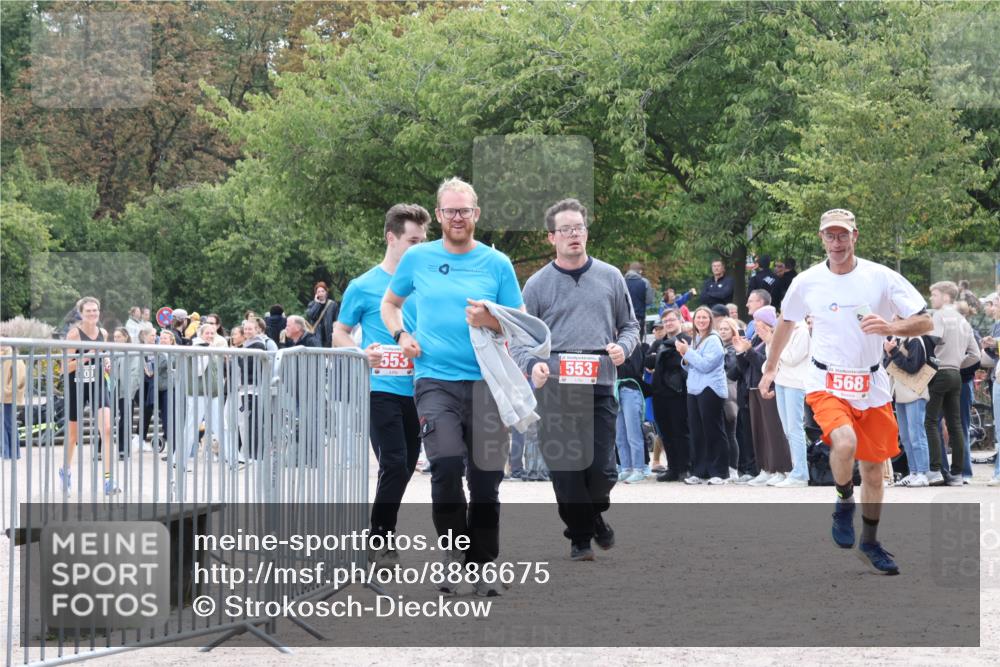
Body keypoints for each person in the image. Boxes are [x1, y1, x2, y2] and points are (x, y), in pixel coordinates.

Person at [760, 208, 932, 575]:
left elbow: (925, 318)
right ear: (821, 239)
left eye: (843, 235)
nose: (836, 242)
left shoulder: (881, 277)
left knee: (872, 471)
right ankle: (842, 500)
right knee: (844, 442)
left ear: (855, 236)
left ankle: (869, 542)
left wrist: (891, 326)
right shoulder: (807, 281)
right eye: (830, 236)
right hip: (826, 381)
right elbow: (786, 323)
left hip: (871, 384)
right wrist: (770, 367)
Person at [382, 177, 523, 596]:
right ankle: (453, 550)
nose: (457, 217)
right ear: (439, 214)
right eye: (450, 211)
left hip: (486, 382)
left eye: (465, 210)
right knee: (443, 463)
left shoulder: (498, 264)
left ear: (476, 214)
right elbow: (390, 304)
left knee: (485, 479)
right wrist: (400, 336)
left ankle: (482, 564)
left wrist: (490, 321)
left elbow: (519, 323)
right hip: (434, 379)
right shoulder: (418, 259)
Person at [509, 197, 639, 560]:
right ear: (551, 238)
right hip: (555, 389)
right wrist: (531, 365)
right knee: (566, 471)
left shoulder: (611, 277)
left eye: (578, 228)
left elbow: (629, 325)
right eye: (565, 230)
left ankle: (594, 516)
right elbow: (519, 339)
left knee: (602, 470)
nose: (573, 235)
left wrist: (623, 348)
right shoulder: (536, 285)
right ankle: (580, 536)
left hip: (599, 384)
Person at [333, 203, 429, 566]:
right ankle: (381, 539)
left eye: (424, 239)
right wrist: (360, 352)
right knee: (394, 461)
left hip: (419, 387)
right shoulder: (364, 285)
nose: (420, 247)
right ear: (392, 238)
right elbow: (338, 332)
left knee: (407, 465)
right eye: (413, 240)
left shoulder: (426, 284)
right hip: (380, 388)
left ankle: (379, 531)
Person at [924, 281, 980, 486]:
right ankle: (957, 474)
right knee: (955, 424)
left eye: (935, 295)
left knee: (930, 421)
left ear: (946, 297)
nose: (932, 298)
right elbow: (975, 355)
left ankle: (935, 470)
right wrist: (957, 362)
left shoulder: (939, 316)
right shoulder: (964, 321)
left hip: (939, 373)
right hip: (956, 374)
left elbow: (932, 342)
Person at [61, 296, 118, 495]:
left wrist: (106, 364)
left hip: (98, 383)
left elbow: (103, 357)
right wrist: (87, 356)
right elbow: (64, 368)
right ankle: (65, 472)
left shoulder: (103, 333)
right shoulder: (74, 335)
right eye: (88, 311)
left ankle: (109, 481)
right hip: (76, 384)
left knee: (108, 429)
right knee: (73, 436)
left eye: (95, 310)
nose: (93, 314)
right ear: (81, 313)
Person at [678, 306, 729, 484]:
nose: (701, 320)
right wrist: (685, 357)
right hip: (694, 388)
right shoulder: (696, 339)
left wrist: (687, 353)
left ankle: (720, 472)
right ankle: (699, 471)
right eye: (698, 317)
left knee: (713, 430)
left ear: (710, 320)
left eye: (704, 317)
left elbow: (706, 365)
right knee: (697, 432)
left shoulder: (714, 340)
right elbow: (690, 364)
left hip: (711, 389)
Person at [746, 306, 793, 486]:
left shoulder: (776, 339)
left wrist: (754, 349)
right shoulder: (757, 339)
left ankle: (782, 468)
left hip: (774, 385)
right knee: (762, 431)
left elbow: (767, 364)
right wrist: (744, 351)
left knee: (775, 430)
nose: (756, 325)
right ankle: (767, 467)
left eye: (759, 322)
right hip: (755, 386)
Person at [883, 331, 934, 487]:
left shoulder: (916, 340)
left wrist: (893, 352)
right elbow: (888, 366)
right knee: (905, 436)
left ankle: (923, 473)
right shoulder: (898, 340)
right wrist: (889, 352)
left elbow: (912, 367)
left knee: (916, 434)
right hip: (899, 393)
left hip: (914, 393)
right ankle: (913, 472)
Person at [647, 309, 692, 481]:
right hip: (659, 393)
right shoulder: (659, 343)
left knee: (681, 431)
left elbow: (679, 363)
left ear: (679, 320)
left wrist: (661, 358)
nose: (668, 323)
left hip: (678, 393)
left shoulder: (686, 340)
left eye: (671, 320)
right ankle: (673, 468)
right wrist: (660, 357)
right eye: (665, 321)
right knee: (665, 433)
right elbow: (648, 361)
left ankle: (685, 467)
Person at [769, 312, 812, 487]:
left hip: (796, 383)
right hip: (781, 381)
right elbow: (770, 359)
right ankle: (796, 469)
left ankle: (801, 473)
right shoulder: (784, 332)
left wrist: (776, 347)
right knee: (787, 430)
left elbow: (793, 358)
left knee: (795, 429)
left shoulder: (801, 331)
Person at [109, 326, 142, 459]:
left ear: (126, 337)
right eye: (115, 337)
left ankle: (124, 449)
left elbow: (135, 373)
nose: (116, 339)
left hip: (126, 390)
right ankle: (101, 449)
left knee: (126, 420)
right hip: (112, 389)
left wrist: (130, 391)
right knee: (106, 419)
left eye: (119, 337)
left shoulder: (132, 351)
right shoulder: (111, 351)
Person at [1, 342, 26, 459]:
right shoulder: (5, 356)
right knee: (6, 424)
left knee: (8, 424)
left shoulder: (12, 356)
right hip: (5, 396)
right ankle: (8, 452)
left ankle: (9, 453)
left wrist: (6, 391)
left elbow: (19, 377)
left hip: (7, 397)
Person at [306, 282, 339, 348]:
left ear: (326, 292)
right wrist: (317, 304)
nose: (321, 293)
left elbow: (336, 320)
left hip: (329, 336)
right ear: (316, 294)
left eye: (322, 291)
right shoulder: (312, 304)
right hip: (316, 336)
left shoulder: (332, 304)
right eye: (319, 292)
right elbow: (310, 316)